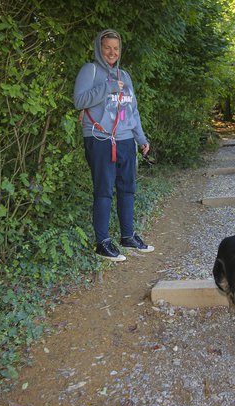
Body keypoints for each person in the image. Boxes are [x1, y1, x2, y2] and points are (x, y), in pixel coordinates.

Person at [74, 29, 154, 261]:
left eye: (116, 48)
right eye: (107, 47)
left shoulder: (125, 75)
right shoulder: (90, 70)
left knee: (127, 189)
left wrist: (141, 138)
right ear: (99, 48)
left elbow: (132, 110)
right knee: (104, 190)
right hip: (100, 139)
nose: (112, 52)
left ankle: (127, 236)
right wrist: (106, 88)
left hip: (126, 140)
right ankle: (102, 242)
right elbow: (79, 100)